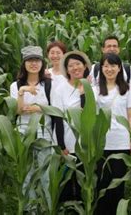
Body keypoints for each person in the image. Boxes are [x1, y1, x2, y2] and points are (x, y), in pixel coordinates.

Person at [93, 53, 131, 214]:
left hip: (121, 142)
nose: (109, 69)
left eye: (113, 66)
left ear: (119, 68)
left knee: (118, 183)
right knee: (102, 183)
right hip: (102, 142)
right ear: (101, 68)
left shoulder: (126, 90)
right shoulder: (95, 90)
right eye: (105, 66)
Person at [9, 45, 53, 206]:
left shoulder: (48, 84)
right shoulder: (15, 86)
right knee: (27, 174)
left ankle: (48, 207)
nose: (33, 64)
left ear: (42, 63)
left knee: (45, 175)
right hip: (23, 133)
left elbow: (54, 107)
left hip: (44, 133)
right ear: (24, 64)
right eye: (29, 60)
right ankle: (30, 208)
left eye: (37, 60)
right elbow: (19, 111)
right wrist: (23, 92)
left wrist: (35, 108)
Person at [51, 50, 92, 201]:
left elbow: (88, 113)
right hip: (68, 144)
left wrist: (83, 94)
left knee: (84, 184)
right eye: (71, 66)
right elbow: (57, 117)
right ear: (67, 70)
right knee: (66, 184)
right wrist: (61, 146)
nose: (75, 68)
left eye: (78, 64)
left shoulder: (91, 88)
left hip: (86, 145)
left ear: (84, 66)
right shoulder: (60, 89)